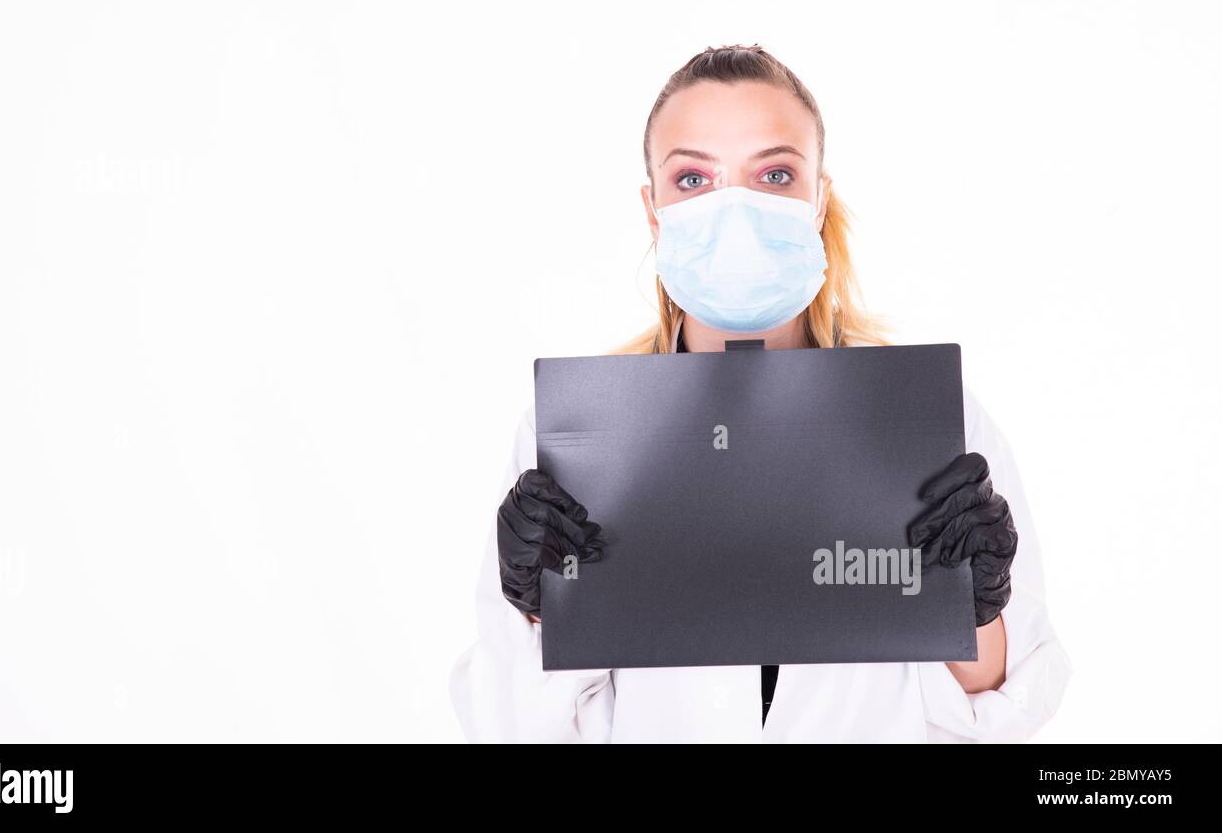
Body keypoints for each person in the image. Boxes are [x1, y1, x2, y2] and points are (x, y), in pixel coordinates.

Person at [449, 44, 1072, 742]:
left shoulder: (929, 419)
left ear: (818, 200)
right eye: (694, 178)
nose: (735, 210)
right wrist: (538, 609)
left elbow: (1000, 712)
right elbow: (510, 726)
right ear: (653, 210)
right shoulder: (577, 434)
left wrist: (978, 606)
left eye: (774, 174)